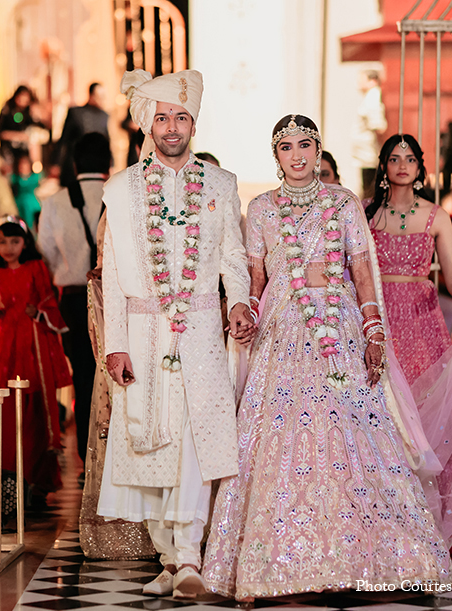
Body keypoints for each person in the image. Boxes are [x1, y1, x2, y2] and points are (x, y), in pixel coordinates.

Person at [203, 115, 452, 600]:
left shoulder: (342, 204)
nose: (296, 155)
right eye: (286, 147)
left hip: (337, 324)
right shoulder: (260, 210)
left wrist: (374, 330)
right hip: (282, 329)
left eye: (305, 145)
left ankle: (387, 559)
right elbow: (256, 279)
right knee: (281, 437)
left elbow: (361, 271)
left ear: (318, 150)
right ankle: (273, 566)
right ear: (275, 156)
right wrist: (246, 314)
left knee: (357, 435)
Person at [99, 69, 254, 599]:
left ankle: (189, 555)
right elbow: (114, 272)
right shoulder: (120, 190)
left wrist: (238, 301)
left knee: (195, 437)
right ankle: (168, 557)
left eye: (181, 117)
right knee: (148, 444)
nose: (172, 126)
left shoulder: (220, 183)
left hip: (202, 331)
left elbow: (234, 255)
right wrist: (115, 343)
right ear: (148, 123)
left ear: (194, 124)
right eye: (162, 117)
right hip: (142, 330)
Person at [365, 133, 452, 554]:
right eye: (393, 158)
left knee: (435, 416)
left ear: (420, 168)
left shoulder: (437, 216)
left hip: (422, 322)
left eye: (410, 159)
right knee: (382, 413)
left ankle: (438, 520)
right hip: (381, 320)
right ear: (384, 166)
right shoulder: (365, 215)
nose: (402, 165)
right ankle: (384, 520)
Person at [79, 210, 158, 559]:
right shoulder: (119, 204)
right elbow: (103, 280)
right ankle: (128, 529)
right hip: (127, 334)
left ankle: (173, 528)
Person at [0, 218, 72, 506]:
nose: (8, 248)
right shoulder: (0, 273)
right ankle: (11, 476)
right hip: (11, 341)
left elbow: (49, 300)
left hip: (34, 339)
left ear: (25, 243)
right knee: (10, 408)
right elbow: (10, 306)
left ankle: (38, 479)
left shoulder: (36, 267)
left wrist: (38, 312)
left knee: (34, 409)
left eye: (14, 241)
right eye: (2, 242)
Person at [38, 133, 111, 466]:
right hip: (115, 296)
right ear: (109, 162)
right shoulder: (119, 196)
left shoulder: (55, 201)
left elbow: (47, 253)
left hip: (71, 297)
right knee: (118, 372)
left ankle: (87, 454)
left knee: (84, 376)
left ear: (76, 163)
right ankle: (114, 458)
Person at [54, 82, 110, 188]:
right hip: (74, 166)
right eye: (100, 96)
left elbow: (107, 141)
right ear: (92, 96)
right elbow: (64, 139)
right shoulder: (76, 113)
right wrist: (56, 163)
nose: (102, 100)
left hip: (96, 168)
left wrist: (110, 165)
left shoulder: (104, 116)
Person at [352, 70, 387, 199]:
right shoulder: (370, 96)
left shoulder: (373, 96)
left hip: (370, 153)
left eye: (362, 79)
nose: (359, 83)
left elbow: (377, 125)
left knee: (370, 189)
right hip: (364, 153)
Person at [0, 85, 45, 167]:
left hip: (24, 154)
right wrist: (18, 136)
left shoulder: (28, 113)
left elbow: (39, 127)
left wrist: (36, 113)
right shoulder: (7, 111)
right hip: (9, 152)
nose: (23, 101)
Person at [10, 155, 43, 232]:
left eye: (25, 164)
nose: (22, 166)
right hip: (19, 204)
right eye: (21, 164)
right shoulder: (15, 178)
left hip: (31, 204)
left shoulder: (35, 177)